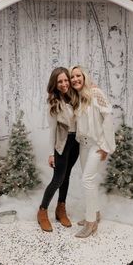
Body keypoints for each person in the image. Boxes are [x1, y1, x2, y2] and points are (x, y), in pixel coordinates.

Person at [70, 65, 116, 238]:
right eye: (72, 77)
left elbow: (108, 117)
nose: (75, 79)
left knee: (87, 180)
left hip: (97, 144)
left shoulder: (95, 93)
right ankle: (95, 212)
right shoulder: (78, 97)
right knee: (90, 180)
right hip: (84, 144)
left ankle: (91, 223)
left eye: (78, 76)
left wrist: (106, 146)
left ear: (84, 76)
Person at [37, 67, 79, 232]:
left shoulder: (75, 97)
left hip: (75, 143)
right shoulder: (53, 104)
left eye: (65, 80)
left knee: (67, 176)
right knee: (58, 178)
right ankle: (42, 211)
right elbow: (52, 131)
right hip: (61, 144)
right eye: (60, 81)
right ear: (55, 84)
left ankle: (61, 209)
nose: (64, 84)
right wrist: (50, 154)